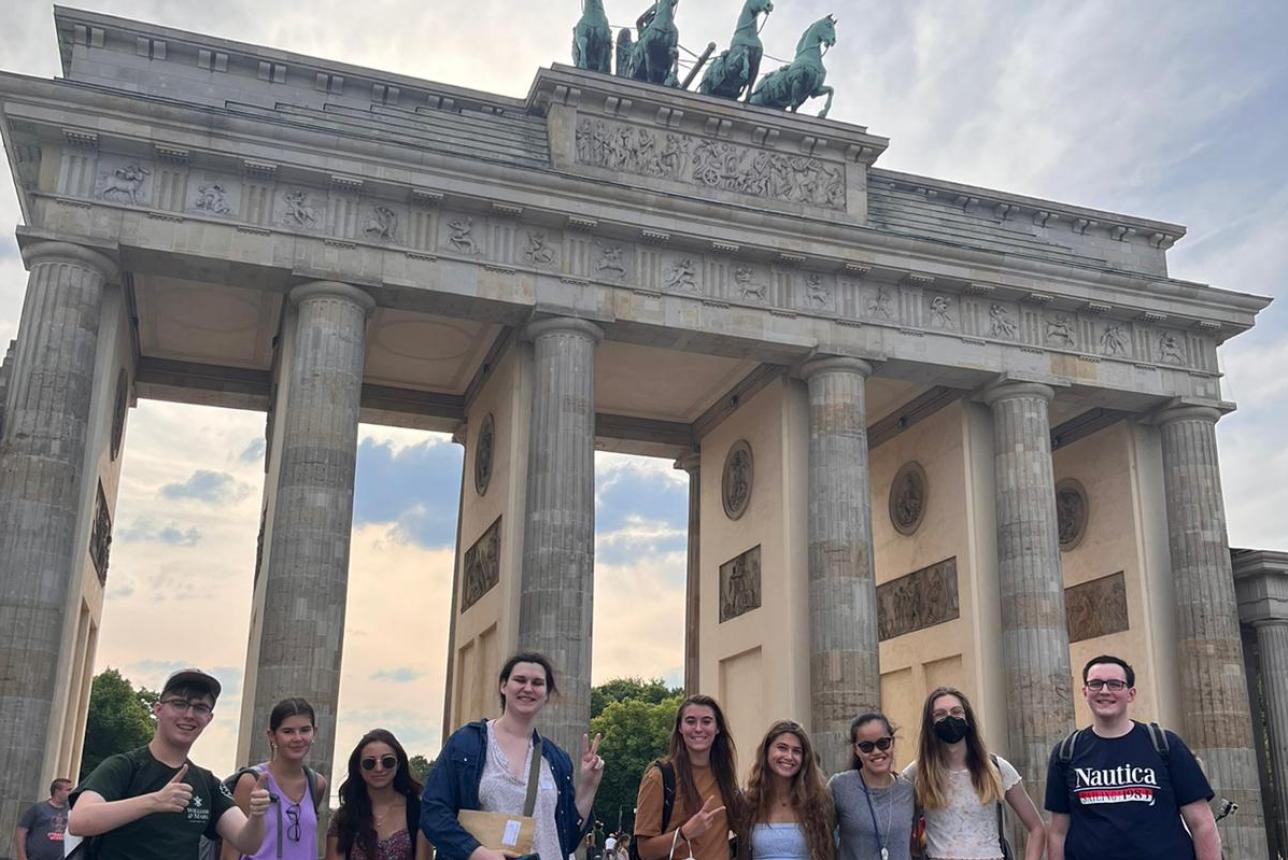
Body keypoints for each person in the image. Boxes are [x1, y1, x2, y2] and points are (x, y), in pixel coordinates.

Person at [67, 668, 271, 860]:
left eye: (200, 708)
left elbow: (248, 843)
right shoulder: (123, 767)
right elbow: (79, 821)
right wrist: (154, 802)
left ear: (209, 719)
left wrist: (257, 815)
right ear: (159, 709)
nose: (189, 714)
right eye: (179, 704)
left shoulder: (208, 784)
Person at [421, 651, 605, 860]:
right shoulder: (466, 744)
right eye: (520, 680)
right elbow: (433, 811)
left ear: (546, 694)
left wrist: (589, 786)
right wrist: (476, 853)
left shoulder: (557, 759)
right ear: (503, 686)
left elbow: (569, 838)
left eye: (537, 683)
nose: (528, 688)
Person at [1045, 655, 1220, 860]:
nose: (1104, 691)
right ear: (1085, 692)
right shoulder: (1066, 752)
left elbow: (1202, 824)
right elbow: (1058, 832)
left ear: (1131, 693)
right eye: (1095, 684)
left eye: (1115, 684)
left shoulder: (1166, 745)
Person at [902, 687, 1045, 860]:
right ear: (929, 723)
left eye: (956, 712)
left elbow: (1036, 827)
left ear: (967, 718)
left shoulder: (997, 768)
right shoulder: (917, 773)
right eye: (940, 714)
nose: (949, 718)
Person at [633, 694, 742, 860]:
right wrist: (684, 834)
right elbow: (645, 851)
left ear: (717, 728)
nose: (698, 729)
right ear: (680, 728)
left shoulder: (724, 776)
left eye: (706, 721)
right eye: (690, 721)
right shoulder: (659, 777)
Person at [223, 697, 328, 860]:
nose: (298, 738)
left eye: (305, 730)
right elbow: (230, 854)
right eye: (288, 731)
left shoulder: (316, 783)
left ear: (314, 732)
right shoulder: (251, 781)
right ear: (272, 736)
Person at [326, 728, 432, 860]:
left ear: (398, 764)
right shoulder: (344, 818)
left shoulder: (418, 813)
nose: (379, 768)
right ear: (358, 768)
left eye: (388, 761)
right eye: (369, 763)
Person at [741, 720, 834, 860]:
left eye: (796, 751)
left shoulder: (817, 801)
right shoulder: (749, 801)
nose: (789, 756)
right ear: (766, 751)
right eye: (782, 748)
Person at [830, 713, 916, 860]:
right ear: (856, 750)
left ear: (892, 743)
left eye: (883, 743)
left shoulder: (908, 791)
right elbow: (818, 834)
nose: (876, 752)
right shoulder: (840, 787)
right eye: (866, 746)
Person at [14, 778, 71, 860]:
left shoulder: (71, 810)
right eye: (68, 790)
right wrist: (22, 856)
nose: (70, 793)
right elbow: (21, 832)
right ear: (57, 791)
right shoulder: (38, 808)